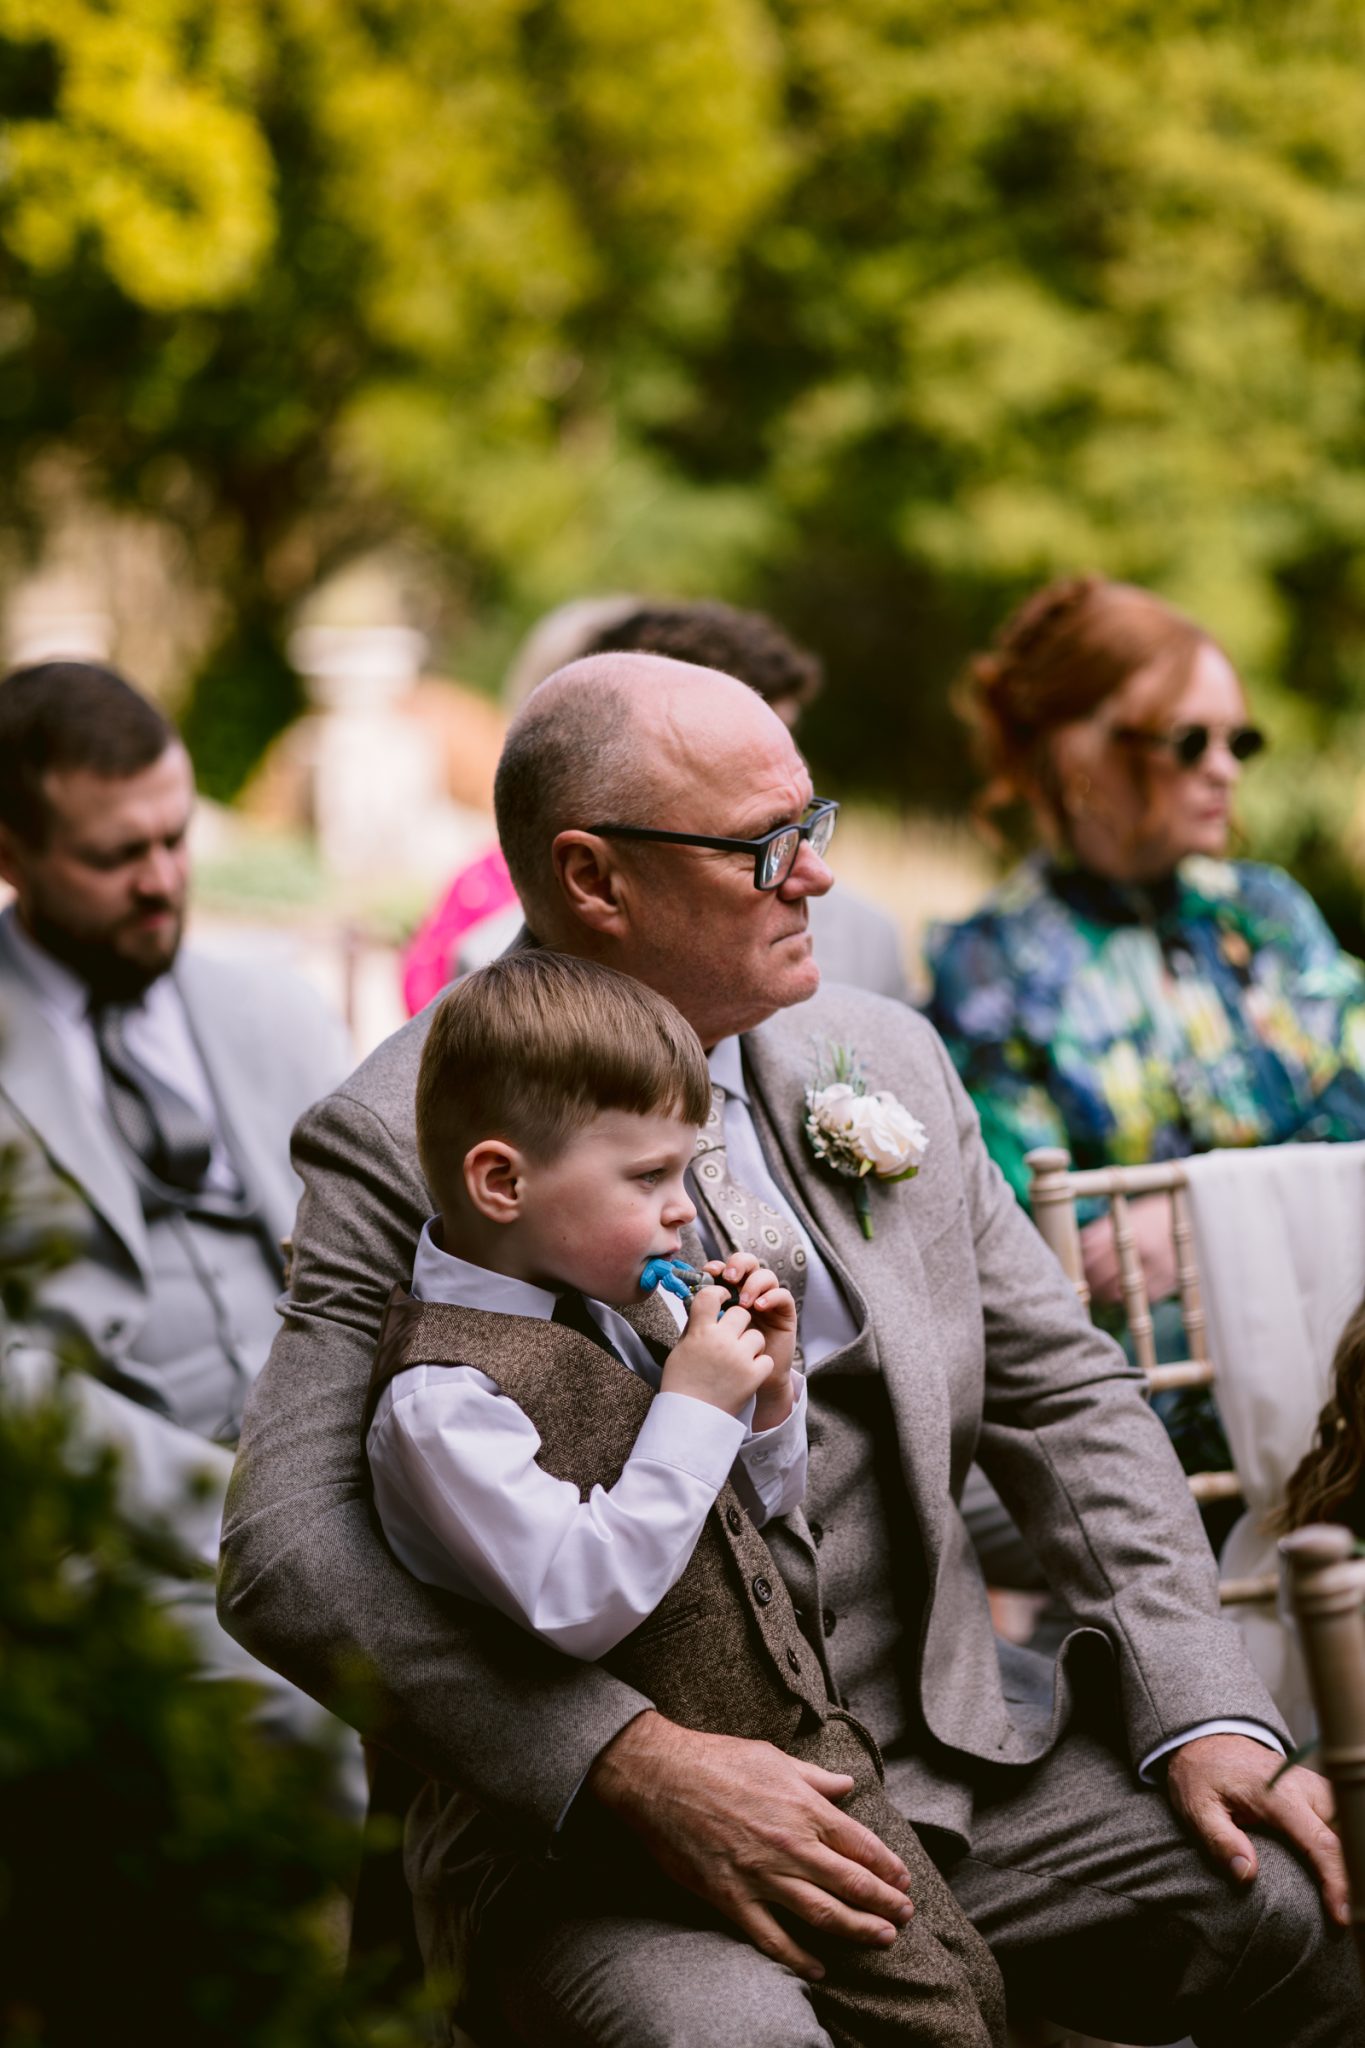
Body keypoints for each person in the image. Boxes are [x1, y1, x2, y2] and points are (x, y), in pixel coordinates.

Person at [221, 651, 1358, 2047]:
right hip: (615, 1854)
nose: (816, 877)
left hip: (955, 1771)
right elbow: (283, 1547)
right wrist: (629, 1762)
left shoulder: (877, 1054)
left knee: (1303, 1912)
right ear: (594, 879)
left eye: (809, 828)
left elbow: (1066, 1396)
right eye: (767, 848)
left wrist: (1203, 1712)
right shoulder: (409, 1131)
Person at [365, 949, 1004, 2044]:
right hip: (620, 1852)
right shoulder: (441, 1401)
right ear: (501, 1183)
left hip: (806, 1777)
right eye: (649, 1177)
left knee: (964, 1994)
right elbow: (582, 1595)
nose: (683, 1213)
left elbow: (738, 1531)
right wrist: (695, 1405)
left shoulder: (619, 1298)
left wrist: (762, 1402)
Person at [925, 576, 1365, 1483]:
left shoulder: (1265, 912)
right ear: (1077, 751)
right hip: (1150, 1411)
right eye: (1187, 739)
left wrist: (1189, 1211)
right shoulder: (990, 963)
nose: (1225, 767)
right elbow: (1059, 1253)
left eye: (1238, 739)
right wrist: (1272, 1185)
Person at [0, 658, 352, 1745]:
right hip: (125, 1538)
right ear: (10, 854)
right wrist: (246, 1518)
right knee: (316, 1728)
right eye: (115, 856)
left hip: (353, 1485)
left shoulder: (276, 1006)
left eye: (174, 838)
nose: (160, 880)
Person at [400, 596, 911, 1005]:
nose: (817, 877)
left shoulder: (872, 965)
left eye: (786, 733)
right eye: (746, 739)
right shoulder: (489, 976)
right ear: (594, 879)